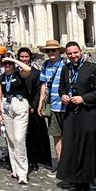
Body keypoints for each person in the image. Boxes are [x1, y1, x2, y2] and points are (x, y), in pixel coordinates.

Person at [57, 42, 96, 191]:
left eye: (75, 53)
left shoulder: (92, 68)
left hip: (91, 113)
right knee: (76, 146)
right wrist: (63, 95)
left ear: (81, 51)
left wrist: (83, 98)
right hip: (73, 113)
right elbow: (61, 87)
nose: (73, 56)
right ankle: (80, 179)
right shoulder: (66, 68)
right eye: (70, 53)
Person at [0, 55, 32, 185]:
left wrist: (14, 60)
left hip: (20, 104)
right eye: (5, 64)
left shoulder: (19, 74)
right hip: (6, 106)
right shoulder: (0, 78)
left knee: (19, 139)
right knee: (10, 140)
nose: (7, 66)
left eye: (9, 64)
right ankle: (15, 169)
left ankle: (23, 172)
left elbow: (28, 69)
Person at [17, 47, 52, 171]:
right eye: (22, 57)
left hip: (34, 108)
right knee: (22, 136)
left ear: (30, 57)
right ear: (18, 58)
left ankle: (40, 159)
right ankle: (25, 159)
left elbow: (39, 91)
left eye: (26, 57)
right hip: (19, 109)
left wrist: (34, 105)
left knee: (37, 134)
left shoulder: (37, 73)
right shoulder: (16, 73)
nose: (24, 59)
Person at [38, 40, 66, 175]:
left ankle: (69, 164)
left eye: (53, 50)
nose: (50, 53)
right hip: (52, 105)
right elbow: (44, 86)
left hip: (66, 105)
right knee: (56, 135)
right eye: (48, 51)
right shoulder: (45, 65)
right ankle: (61, 164)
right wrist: (40, 103)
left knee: (68, 135)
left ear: (59, 51)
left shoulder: (66, 64)